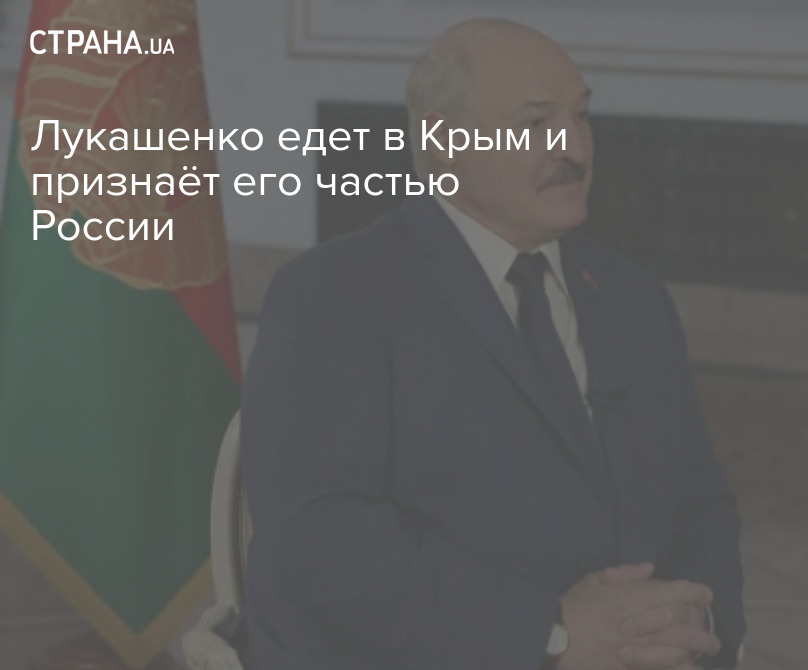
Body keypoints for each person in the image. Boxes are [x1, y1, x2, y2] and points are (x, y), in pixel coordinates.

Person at [240, 18, 745, 670]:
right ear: (443, 141)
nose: (574, 148)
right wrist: (551, 634)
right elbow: (319, 536)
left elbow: (700, 504)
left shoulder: (633, 295)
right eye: (535, 124)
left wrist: (696, 622)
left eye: (581, 116)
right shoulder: (333, 295)